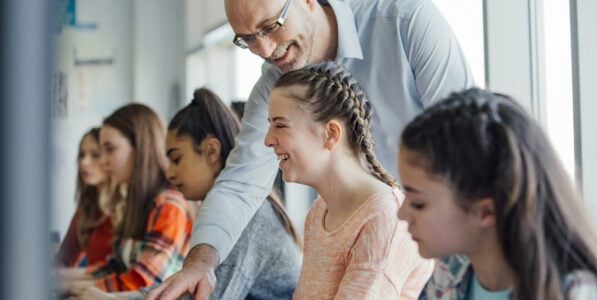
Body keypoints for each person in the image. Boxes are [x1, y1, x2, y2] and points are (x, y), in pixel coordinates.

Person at [149, 0, 473, 298]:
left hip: (450, 239)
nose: (263, 49)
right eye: (247, 39)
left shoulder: (405, 22)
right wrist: (200, 263)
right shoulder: (319, 214)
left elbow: (468, 146)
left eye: (271, 26)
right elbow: (241, 181)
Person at [76, 88, 302, 300]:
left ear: (211, 151)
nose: (170, 172)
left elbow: (205, 296)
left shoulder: (249, 217)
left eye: (176, 159)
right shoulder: (219, 215)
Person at [396, 88, 597, 300]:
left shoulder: (577, 293)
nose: (401, 214)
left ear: (486, 212)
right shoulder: (449, 274)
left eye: (418, 204)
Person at [269, 62, 433, 298]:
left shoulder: (383, 217)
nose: (268, 140)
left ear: (331, 133)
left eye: (280, 125)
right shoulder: (319, 212)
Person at [59, 104, 197, 296]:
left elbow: (143, 280)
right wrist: (60, 280)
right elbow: (114, 266)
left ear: (140, 148)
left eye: (110, 149)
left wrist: (77, 289)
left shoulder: (169, 206)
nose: (104, 161)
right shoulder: (138, 202)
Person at [55, 128, 112, 268]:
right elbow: (64, 259)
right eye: (82, 155)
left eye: (95, 155)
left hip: (112, 288)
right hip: (87, 284)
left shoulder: (128, 209)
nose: (84, 162)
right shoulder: (86, 208)